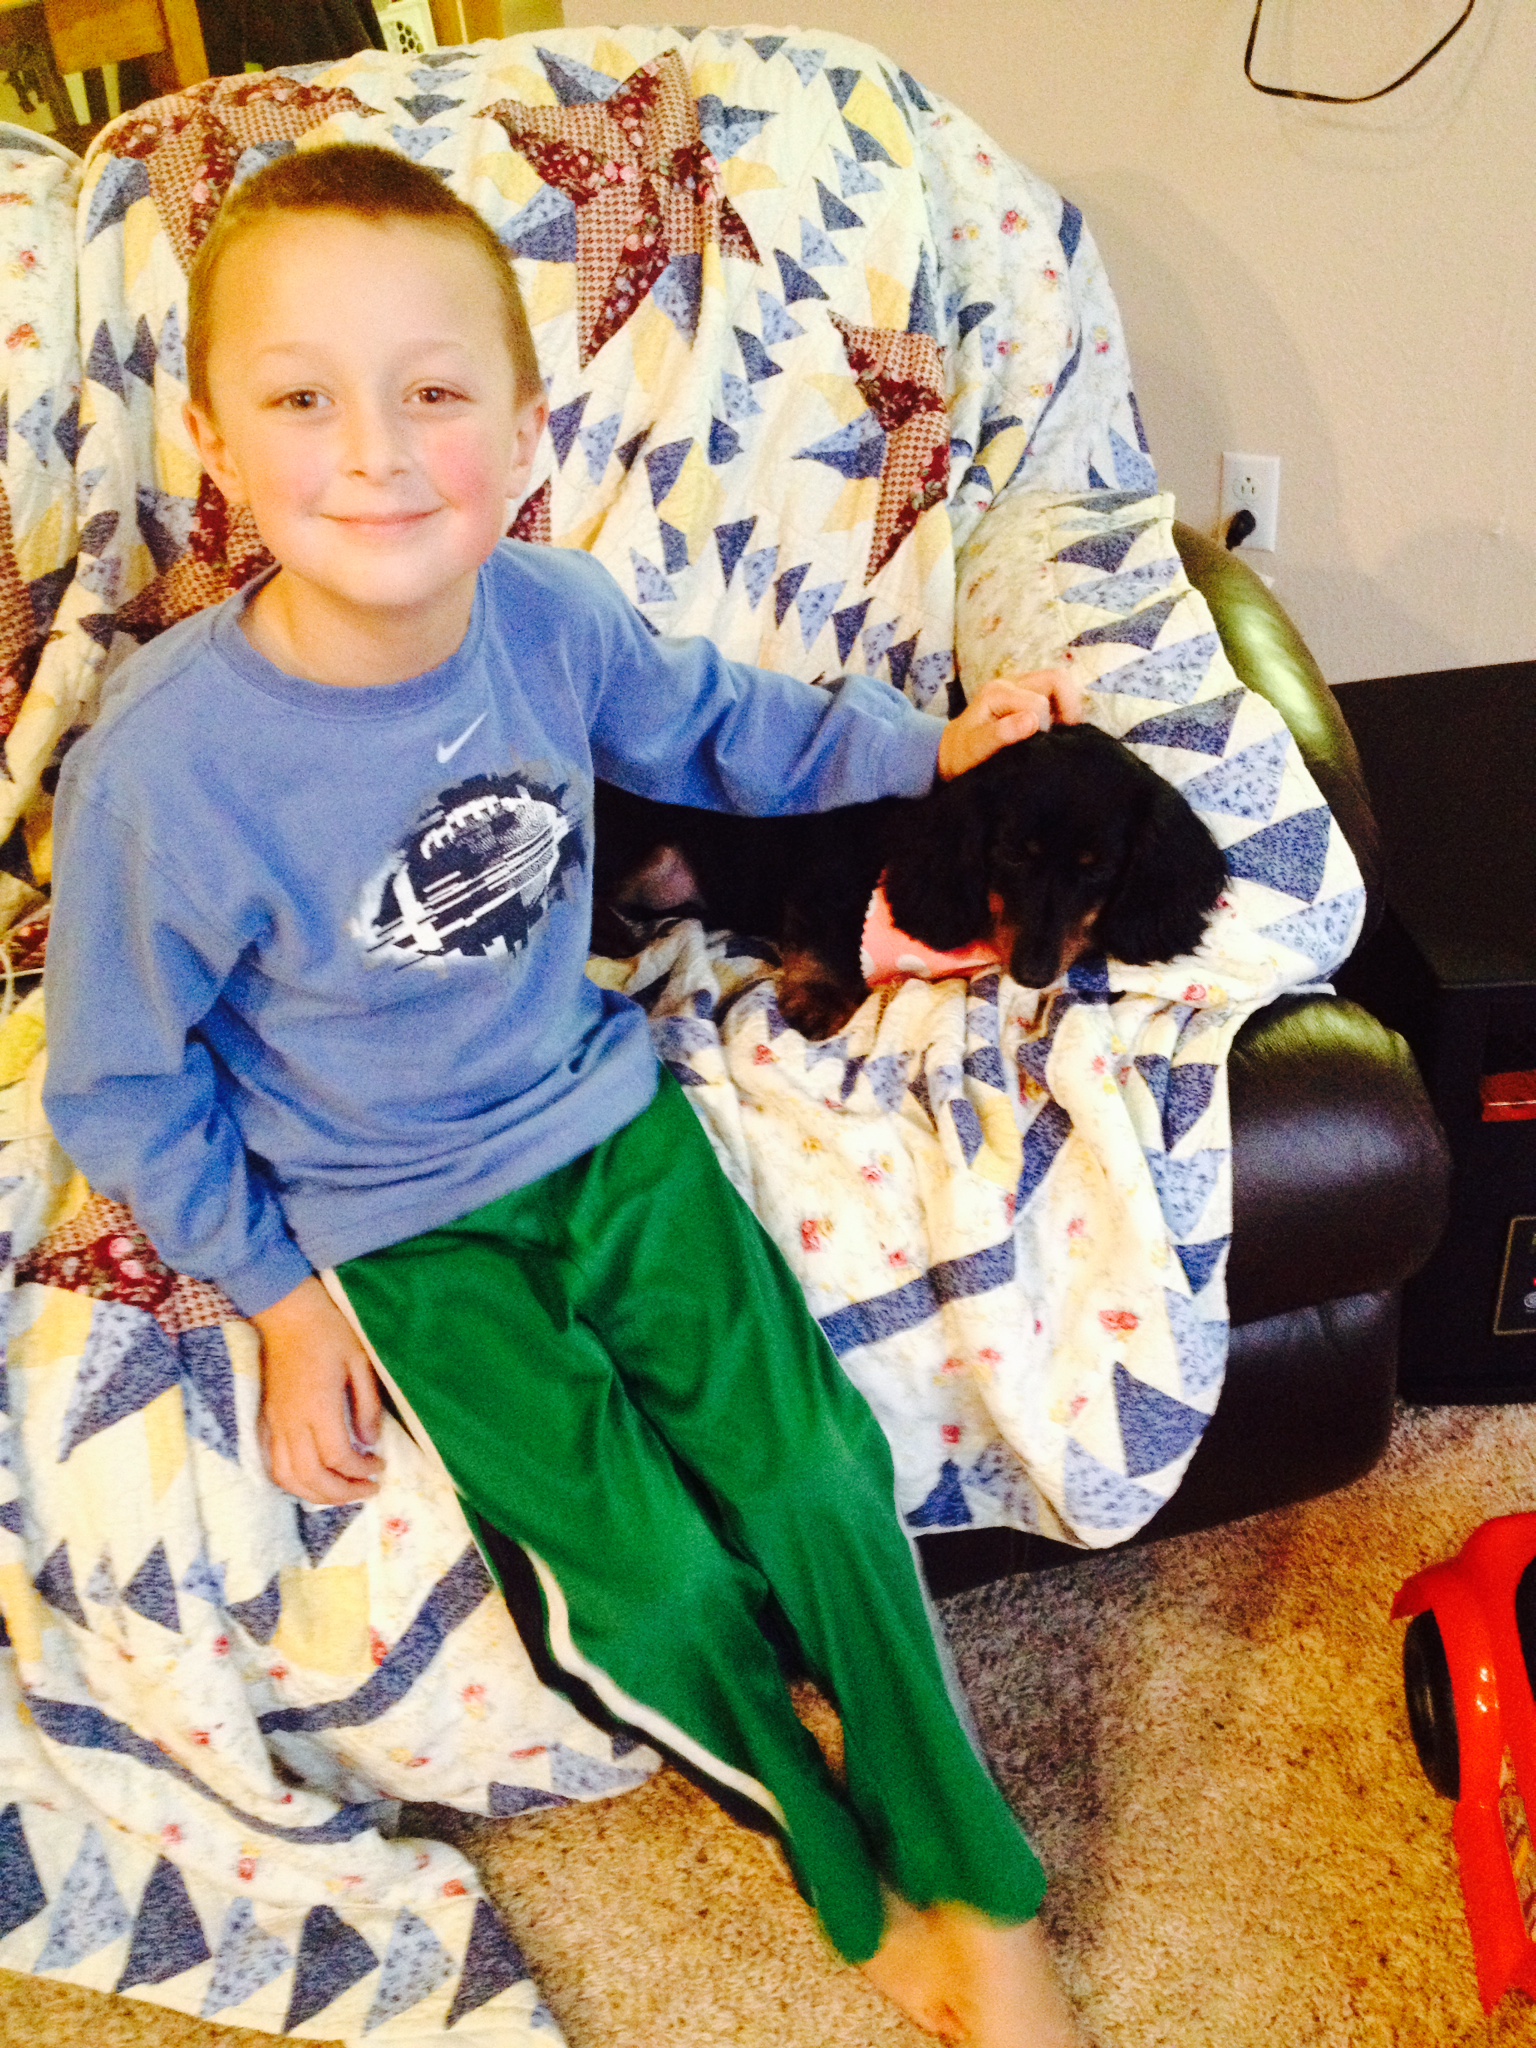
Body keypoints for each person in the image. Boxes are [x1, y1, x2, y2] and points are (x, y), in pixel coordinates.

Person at [44, 144, 1086, 2048]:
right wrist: (280, 1301)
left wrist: (929, 747)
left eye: (434, 392)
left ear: (523, 434)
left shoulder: (551, 615)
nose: (377, 453)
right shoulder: (163, 773)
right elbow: (120, 1083)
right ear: (213, 442)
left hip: (608, 1128)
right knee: (656, 1591)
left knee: (819, 1479)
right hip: (396, 1230)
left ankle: (981, 1889)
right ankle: (853, 1894)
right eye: (303, 399)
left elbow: (726, 724)